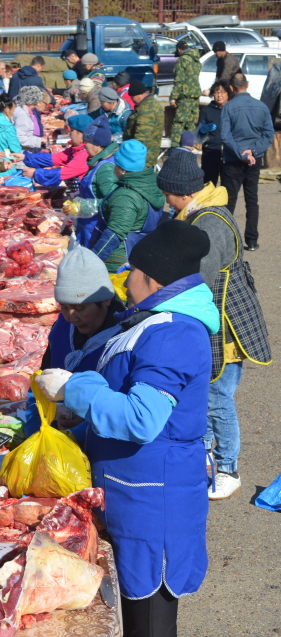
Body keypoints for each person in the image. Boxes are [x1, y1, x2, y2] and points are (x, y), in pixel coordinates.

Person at [38, 221, 218, 637]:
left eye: (131, 271)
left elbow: (142, 419)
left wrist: (74, 388)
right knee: (133, 614)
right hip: (133, 488)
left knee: (150, 621)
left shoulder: (174, 332)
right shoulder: (154, 320)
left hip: (154, 500)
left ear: (149, 279)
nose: (125, 279)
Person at [156, 150, 272, 500]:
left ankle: (228, 468)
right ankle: (203, 459)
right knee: (206, 393)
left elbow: (198, 282)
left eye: (167, 194)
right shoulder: (195, 213)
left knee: (218, 398)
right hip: (215, 317)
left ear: (182, 192)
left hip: (226, 323)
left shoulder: (209, 223)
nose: (165, 201)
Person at [23, 245, 124, 438]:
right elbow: (39, 384)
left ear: (106, 301)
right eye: (64, 307)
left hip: (98, 447)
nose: (71, 317)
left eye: (80, 308)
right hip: (54, 444)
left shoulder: (124, 340)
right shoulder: (62, 329)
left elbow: (121, 411)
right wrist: (34, 434)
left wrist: (84, 421)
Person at [88, 139, 165, 272]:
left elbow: (114, 234)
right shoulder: (150, 184)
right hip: (141, 250)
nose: (113, 170)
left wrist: (92, 261)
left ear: (123, 170)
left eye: (115, 165)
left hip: (119, 259)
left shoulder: (126, 195)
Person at [220, 73, 274, 251]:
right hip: (254, 160)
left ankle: (227, 242)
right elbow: (268, 135)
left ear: (231, 88)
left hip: (233, 160)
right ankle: (251, 240)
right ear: (248, 85)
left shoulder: (228, 108)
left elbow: (225, 136)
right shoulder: (262, 107)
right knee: (252, 200)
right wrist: (254, 151)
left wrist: (241, 153)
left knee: (229, 202)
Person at [75, 115, 119, 245]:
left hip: (95, 230)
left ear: (98, 146)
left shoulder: (105, 169)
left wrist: (83, 206)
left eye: (86, 142)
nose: (84, 146)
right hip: (87, 226)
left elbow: (112, 202)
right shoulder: (98, 161)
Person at [21, 114, 92, 191]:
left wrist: (36, 173)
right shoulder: (75, 150)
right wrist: (26, 157)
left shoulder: (84, 155)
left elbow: (62, 173)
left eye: (72, 131)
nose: (70, 134)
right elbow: (54, 159)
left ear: (81, 134)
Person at [123, 81, 164, 169]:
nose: (132, 99)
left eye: (132, 96)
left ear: (140, 94)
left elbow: (142, 137)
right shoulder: (152, 103)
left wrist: (133, 157)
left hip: (141, 159)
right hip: (147, 156)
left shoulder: (146, 109)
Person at [169, 41, 203, 147]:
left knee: (179, 122)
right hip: (195, 95)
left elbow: (179, 80)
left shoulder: (182, 60)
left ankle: (175, 148)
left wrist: (173, 97)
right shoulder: (196, 60)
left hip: (185, 96)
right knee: (190, 123)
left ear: (179, 50)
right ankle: (189, 145)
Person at [197, 81, 230, 185]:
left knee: (227, 188)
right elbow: (198, 137)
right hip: (210, 153)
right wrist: (202, 130)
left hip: (229, 154)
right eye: (216, 92)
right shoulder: (206, 110)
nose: (219, 95)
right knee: (208, 186)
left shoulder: (232, 109)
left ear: (228, 93)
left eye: (222, 92)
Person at [12, 86, 47, 152]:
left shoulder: (22, 110)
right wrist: (39, 141)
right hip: (21, 151)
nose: (36, 106)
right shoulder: (22, 114)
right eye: (34, 104)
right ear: (29, 102)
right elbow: (20, 137)